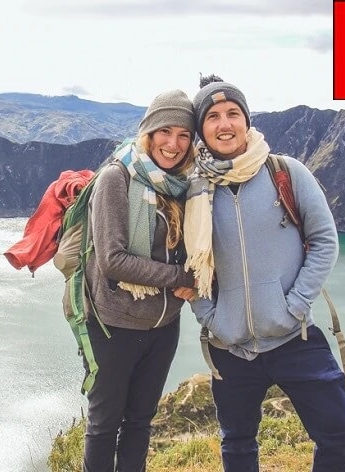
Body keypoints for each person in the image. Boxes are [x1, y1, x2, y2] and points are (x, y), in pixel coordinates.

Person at [183, 75, 345, 471]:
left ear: (246, 120)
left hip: (294, 335)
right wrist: (211, 316)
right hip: (230, 345)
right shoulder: (192, 191)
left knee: (338, 429)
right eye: (212, 116)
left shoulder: (286, 172)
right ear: (201, 128)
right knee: (238, 443)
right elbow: (187, 262)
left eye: (232, 113)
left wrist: (294, 306)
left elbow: (325, 240)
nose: (224, 123)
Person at [81, 89, 197, 471]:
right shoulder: (117, 178)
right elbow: (113, 260)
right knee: (104, 425)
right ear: (149, 131)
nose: (174, 144)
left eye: (183, 135)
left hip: (164, 324)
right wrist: (179, 278)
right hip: (113, 324)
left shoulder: (182, 184)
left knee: (139, 421)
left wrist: (188, 284)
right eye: (165, 131)